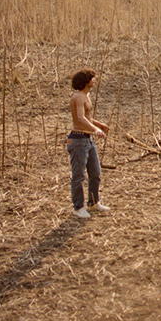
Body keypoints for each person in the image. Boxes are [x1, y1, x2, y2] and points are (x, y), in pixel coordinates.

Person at [67, 69, 110, 218]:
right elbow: (80, 118)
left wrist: (100, 125)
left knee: (95, 173)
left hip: (87, 139)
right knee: (78, 176)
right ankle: (78, 208)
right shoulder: (78, 97)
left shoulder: (87, 96)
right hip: (78, 140)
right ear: (85, 81)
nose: (94, 81)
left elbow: (88, 118)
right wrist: (95, 129)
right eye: (92, 79)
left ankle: (93, 203)